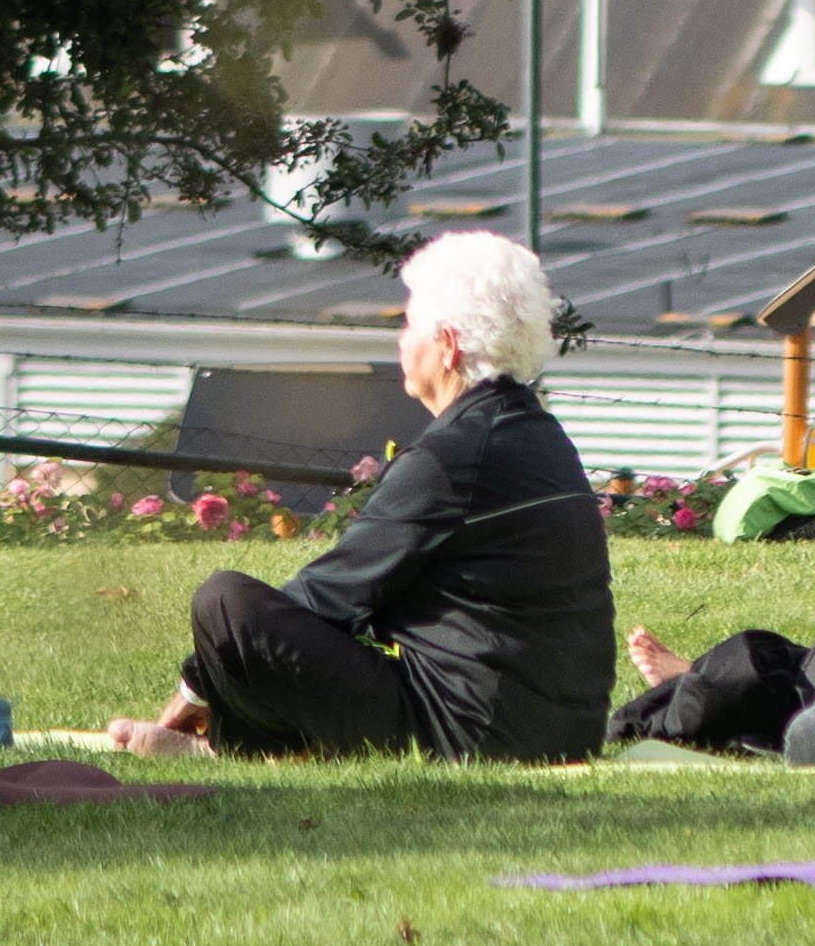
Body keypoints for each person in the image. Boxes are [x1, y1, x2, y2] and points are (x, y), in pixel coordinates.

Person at [129, 229, 612, 763]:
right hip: (566, 729)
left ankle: (220, 751)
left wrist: (196, 686)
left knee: (225, 603)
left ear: (447, 345)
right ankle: (252, 744)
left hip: (473, 733)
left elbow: (330, 595)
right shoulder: (544, 437)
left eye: (410, 325)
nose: (402, 341)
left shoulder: (450, 458)